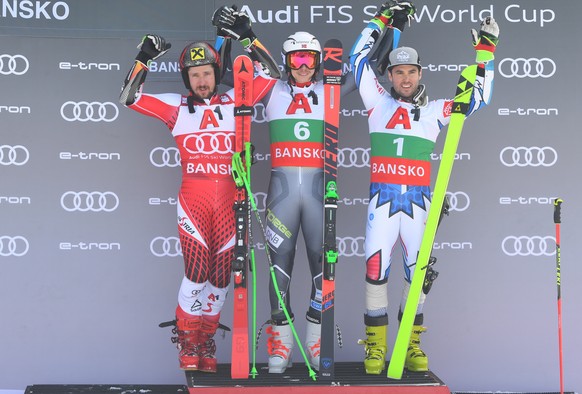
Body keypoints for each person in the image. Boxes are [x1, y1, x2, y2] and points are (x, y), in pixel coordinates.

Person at [118, 14, 280, 372]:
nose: (202, 80)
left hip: (231, 200)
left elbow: (271, 75)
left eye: (207, 73)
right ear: (186, 79)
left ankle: (206, 338)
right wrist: (143, 57)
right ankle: (188, 337)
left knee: (222, 276)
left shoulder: (236, 100)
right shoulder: (176, 107)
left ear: (216, 73)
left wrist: (248, 36)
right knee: (196, 272)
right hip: (194, 200)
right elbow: (129, 97)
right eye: (195, 75)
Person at [349, 1, 499, 374]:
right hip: (382, 202)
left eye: (410, 72)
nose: (404, 79)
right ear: (390, 75)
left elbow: (478, 99)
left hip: (418, 203)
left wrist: (486, 53)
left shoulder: (435, 111)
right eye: (397, 72)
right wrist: (382, 19)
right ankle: (375, 346)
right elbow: (357, 58)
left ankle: (410, 343)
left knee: (416, 274)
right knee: (374, 271)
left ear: (419, 74)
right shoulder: (376, 101)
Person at [215, 8, 354, 373]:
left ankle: (313, 338)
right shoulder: (271, 86)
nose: (304, 65)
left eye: (310, 58)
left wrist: (390, 26)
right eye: (297, 58)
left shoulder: (332, 89)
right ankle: (280, 340)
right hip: (281, 194)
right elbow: (227, 72)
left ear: (320, 61)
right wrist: (226, 33)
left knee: (322, 269)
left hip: (318, 192)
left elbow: (369, 69)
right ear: (286, 61)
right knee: (279, 270)